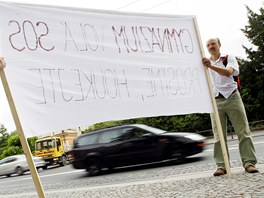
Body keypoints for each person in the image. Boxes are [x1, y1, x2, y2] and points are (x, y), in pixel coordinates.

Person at [202, 38, 258, 176]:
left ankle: (249, 163)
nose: (210, 47)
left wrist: (211, 66)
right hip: (215, 101)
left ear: (219, 45)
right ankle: (222, 165)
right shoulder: (204, 64)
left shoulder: (229, 58)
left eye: (213, 44)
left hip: (232, 97)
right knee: (218, 136)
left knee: (243, 131)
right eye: (208, 45)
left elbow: (228, 72)